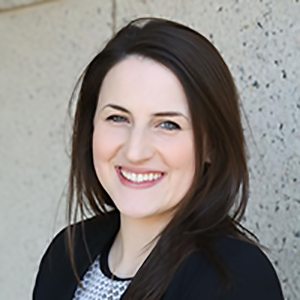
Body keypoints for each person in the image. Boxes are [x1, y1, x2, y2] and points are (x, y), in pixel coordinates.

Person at [33, 17, 284, 299]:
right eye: (117, 118)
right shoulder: (66, 255)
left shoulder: (236, 278)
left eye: (167, 124)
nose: (135, 151)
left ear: (211, 145)